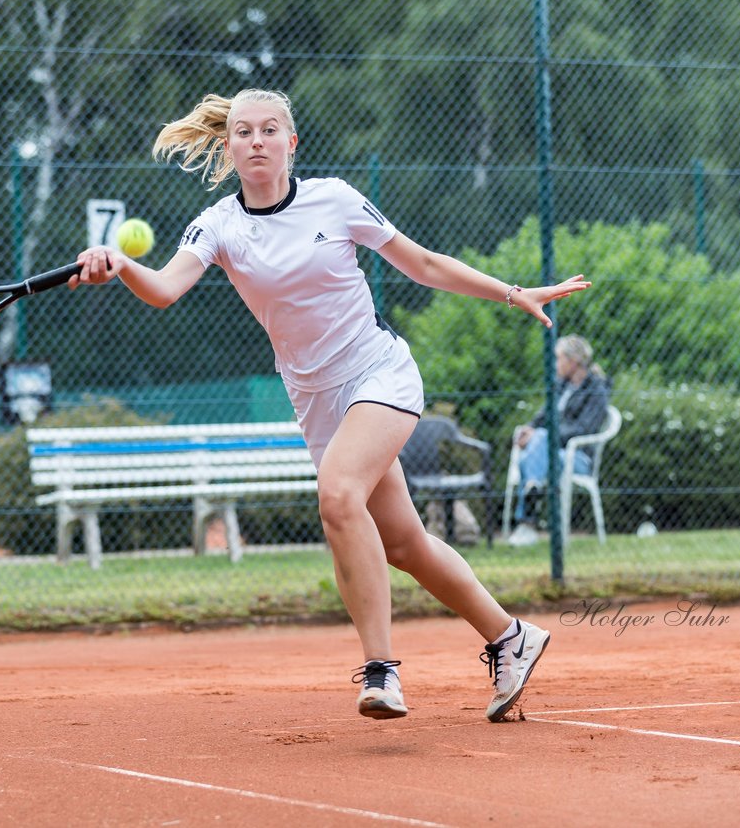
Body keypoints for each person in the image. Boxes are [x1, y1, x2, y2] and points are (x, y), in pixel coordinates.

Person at [68, 89, 592, 722]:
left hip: (379, 373)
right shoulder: (218, 225)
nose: (255, 141)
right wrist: (120, 263)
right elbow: (165, 289)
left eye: (269, 130)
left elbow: (421, 263)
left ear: (292, 143)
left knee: (337, 495)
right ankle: (511, 637)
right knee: (404, 544)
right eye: (242, 132)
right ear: (229, 147)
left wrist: (512, 292)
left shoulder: (335, 199)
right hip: (316, 402)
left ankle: (382, 671)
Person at [508, 335, 612, 546]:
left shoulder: (596, 390)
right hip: (548, 454)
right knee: (538, 442)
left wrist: (545, 436)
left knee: (537, 446)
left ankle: (527, 522)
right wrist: (530, 429)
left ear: (573, 361)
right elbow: (542, 416)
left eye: (559, 358)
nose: (555, 364)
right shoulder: (560, 386)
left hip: (577, 457)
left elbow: (584, 429)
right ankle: (533, 486)